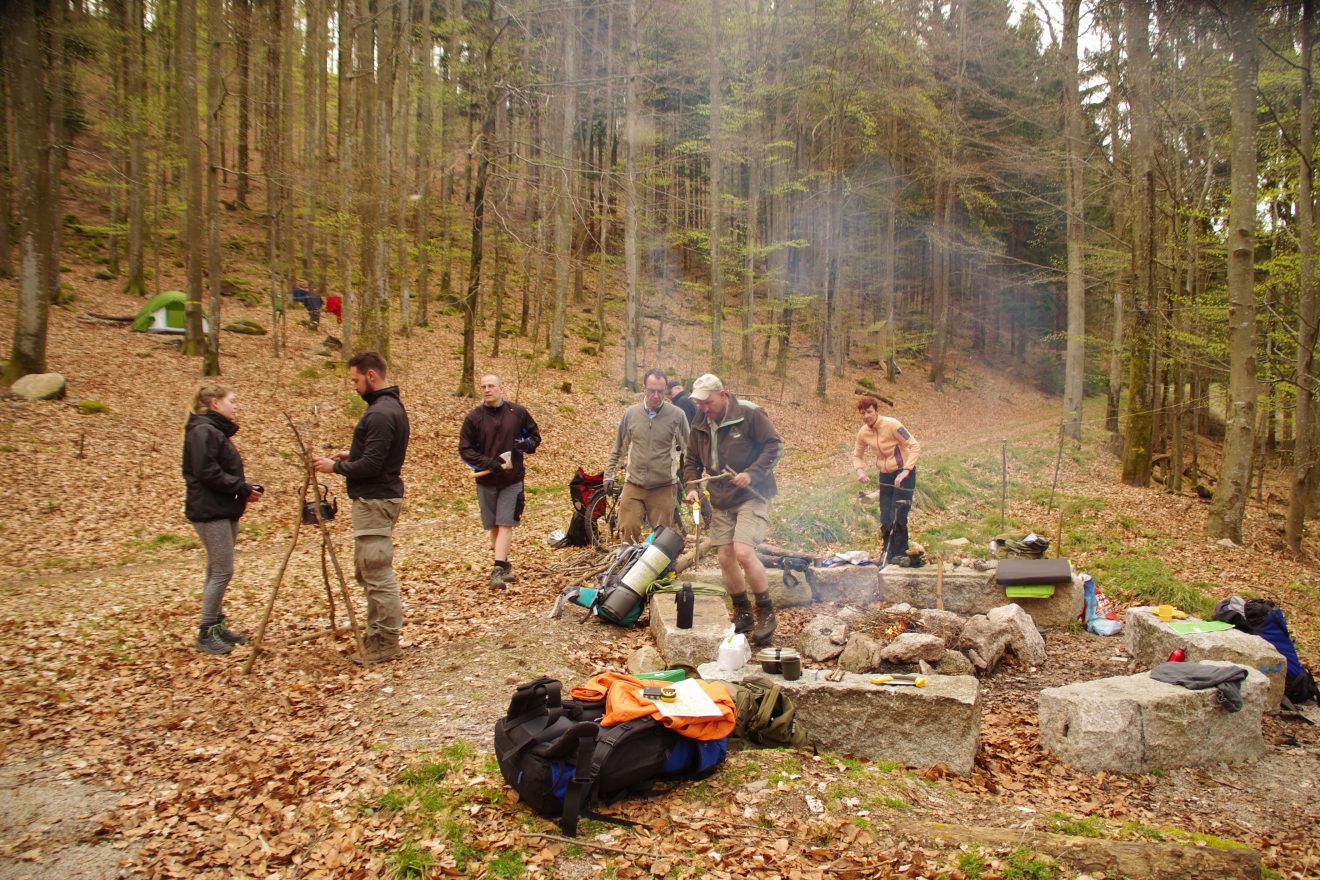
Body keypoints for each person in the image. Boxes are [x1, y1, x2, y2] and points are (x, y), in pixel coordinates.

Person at [314, 351, 410, 664]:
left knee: (376, 569)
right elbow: (373, 455)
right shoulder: (385, 408)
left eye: (355, 380)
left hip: (375, 500)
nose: (353, 387)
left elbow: (373, 464)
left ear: (371, 375)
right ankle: (376, 635)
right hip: (375, 497)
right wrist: (351, 454)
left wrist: (335, 468)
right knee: (367, 569)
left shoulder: (381, 413)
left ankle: (385, 641)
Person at [682, 374, 783, 645]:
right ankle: (743, 611)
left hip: (752, 493)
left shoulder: (749, 414)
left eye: (708, 402)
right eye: (700, 403)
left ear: (723, 395)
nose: (704, 408)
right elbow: (690, 459)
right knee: (725, 556)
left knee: (743, 551)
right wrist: (691, 486)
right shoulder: (700, 421)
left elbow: (774, 445)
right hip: (721, 498)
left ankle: (766, 612)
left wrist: (752, 473)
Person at [182, 385, 263, 655]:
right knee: (222, 570)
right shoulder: (202, 431)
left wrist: (243, 489)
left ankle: (216, 624)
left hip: (223, 508)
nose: (235, 406)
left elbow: (218, 471)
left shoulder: (213, 431)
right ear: (215, 403)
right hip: (209, 511)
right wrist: (239, 487)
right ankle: (206, 632)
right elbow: (206, 471)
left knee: (216, 569)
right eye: (232, 401)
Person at [459, 374, 542, 588]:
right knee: (494, 526)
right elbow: (465, 450)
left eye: (491, 386)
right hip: (486, 480)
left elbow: (535, 437)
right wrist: (488, 463)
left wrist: (526, 445)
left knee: (506, 523)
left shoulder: (518, 413)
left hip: (512, 480)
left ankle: (496, 569)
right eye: (483, 387)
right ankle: (504, 565)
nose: (487, 390)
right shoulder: (474, 418)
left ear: (501, 389)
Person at [604, 368, 689, 543]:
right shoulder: (631, 414)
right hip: (634, 484)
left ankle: (658, 569)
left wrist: (690, 481)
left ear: (666, 390)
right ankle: (628, 566)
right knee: (627, 529)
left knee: (660, 538)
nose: (656, 396)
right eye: (652, 391)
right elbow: (619, 447)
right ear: (644, 389)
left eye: (660, 391)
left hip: (663, 486)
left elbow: (690, 450)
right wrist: (609, 474)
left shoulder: (677, 415)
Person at [852, 395, 921, 563]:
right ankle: (887, 551)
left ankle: (900, 552)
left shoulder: (892, 425)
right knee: (885, 515)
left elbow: (915, 446)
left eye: (869, 412)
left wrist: (906, 471)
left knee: (899, 514)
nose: (866, 416)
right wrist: (860, 471)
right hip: (885, 474)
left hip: (904, 473)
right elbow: (857, 454)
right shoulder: (864, 432)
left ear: (876, 410)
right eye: (863, 413)